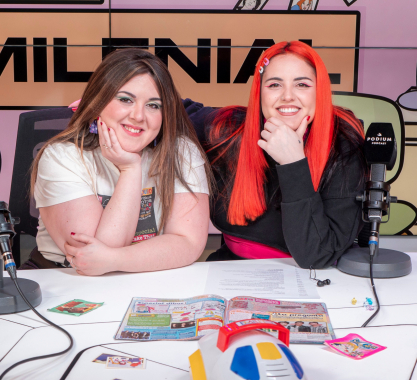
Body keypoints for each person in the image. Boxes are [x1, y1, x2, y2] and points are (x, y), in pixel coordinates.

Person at [28, 49, 212, 276]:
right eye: (126, 100)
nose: (138, 116)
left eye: (154, 105)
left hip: (148, 278)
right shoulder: (61, 157)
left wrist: (115, 260)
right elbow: (91, 259)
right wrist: (130, 169)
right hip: (66, 278)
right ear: (98, 102)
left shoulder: (181, 152)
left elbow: (188, 243)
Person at [186, 40, 367, 269]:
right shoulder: (227, 130)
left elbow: (316, 256)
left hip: (310, 279)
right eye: (274, 85)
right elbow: (167, 108)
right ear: (259, 92)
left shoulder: (344, 145)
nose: (287, 96)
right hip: (232, 272)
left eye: (302, 84)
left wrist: (293, 163)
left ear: (319, 91)